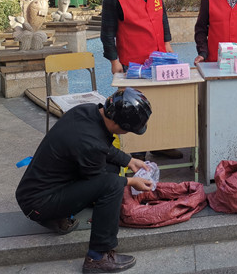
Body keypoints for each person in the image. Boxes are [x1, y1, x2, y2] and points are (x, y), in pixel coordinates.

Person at [16, 87, 154, 273]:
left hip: (39, 190)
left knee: (112, 169)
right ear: (119, 125)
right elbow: (102, 176)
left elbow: (101, 147)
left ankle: (65, 214)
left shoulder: (88, 111)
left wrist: (129, 161)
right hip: (39, 203)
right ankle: (98, 257)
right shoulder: (90, 142)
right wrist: (132, 182)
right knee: (113, 184)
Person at [101, 0, 181, 160]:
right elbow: (107, 33)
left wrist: (167, 42)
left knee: (162, 103)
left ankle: (162, 145)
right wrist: (114, 61)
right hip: (133, 63)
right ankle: (136, 154)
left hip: (159, 58)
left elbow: (162, 15)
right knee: (134, 108)